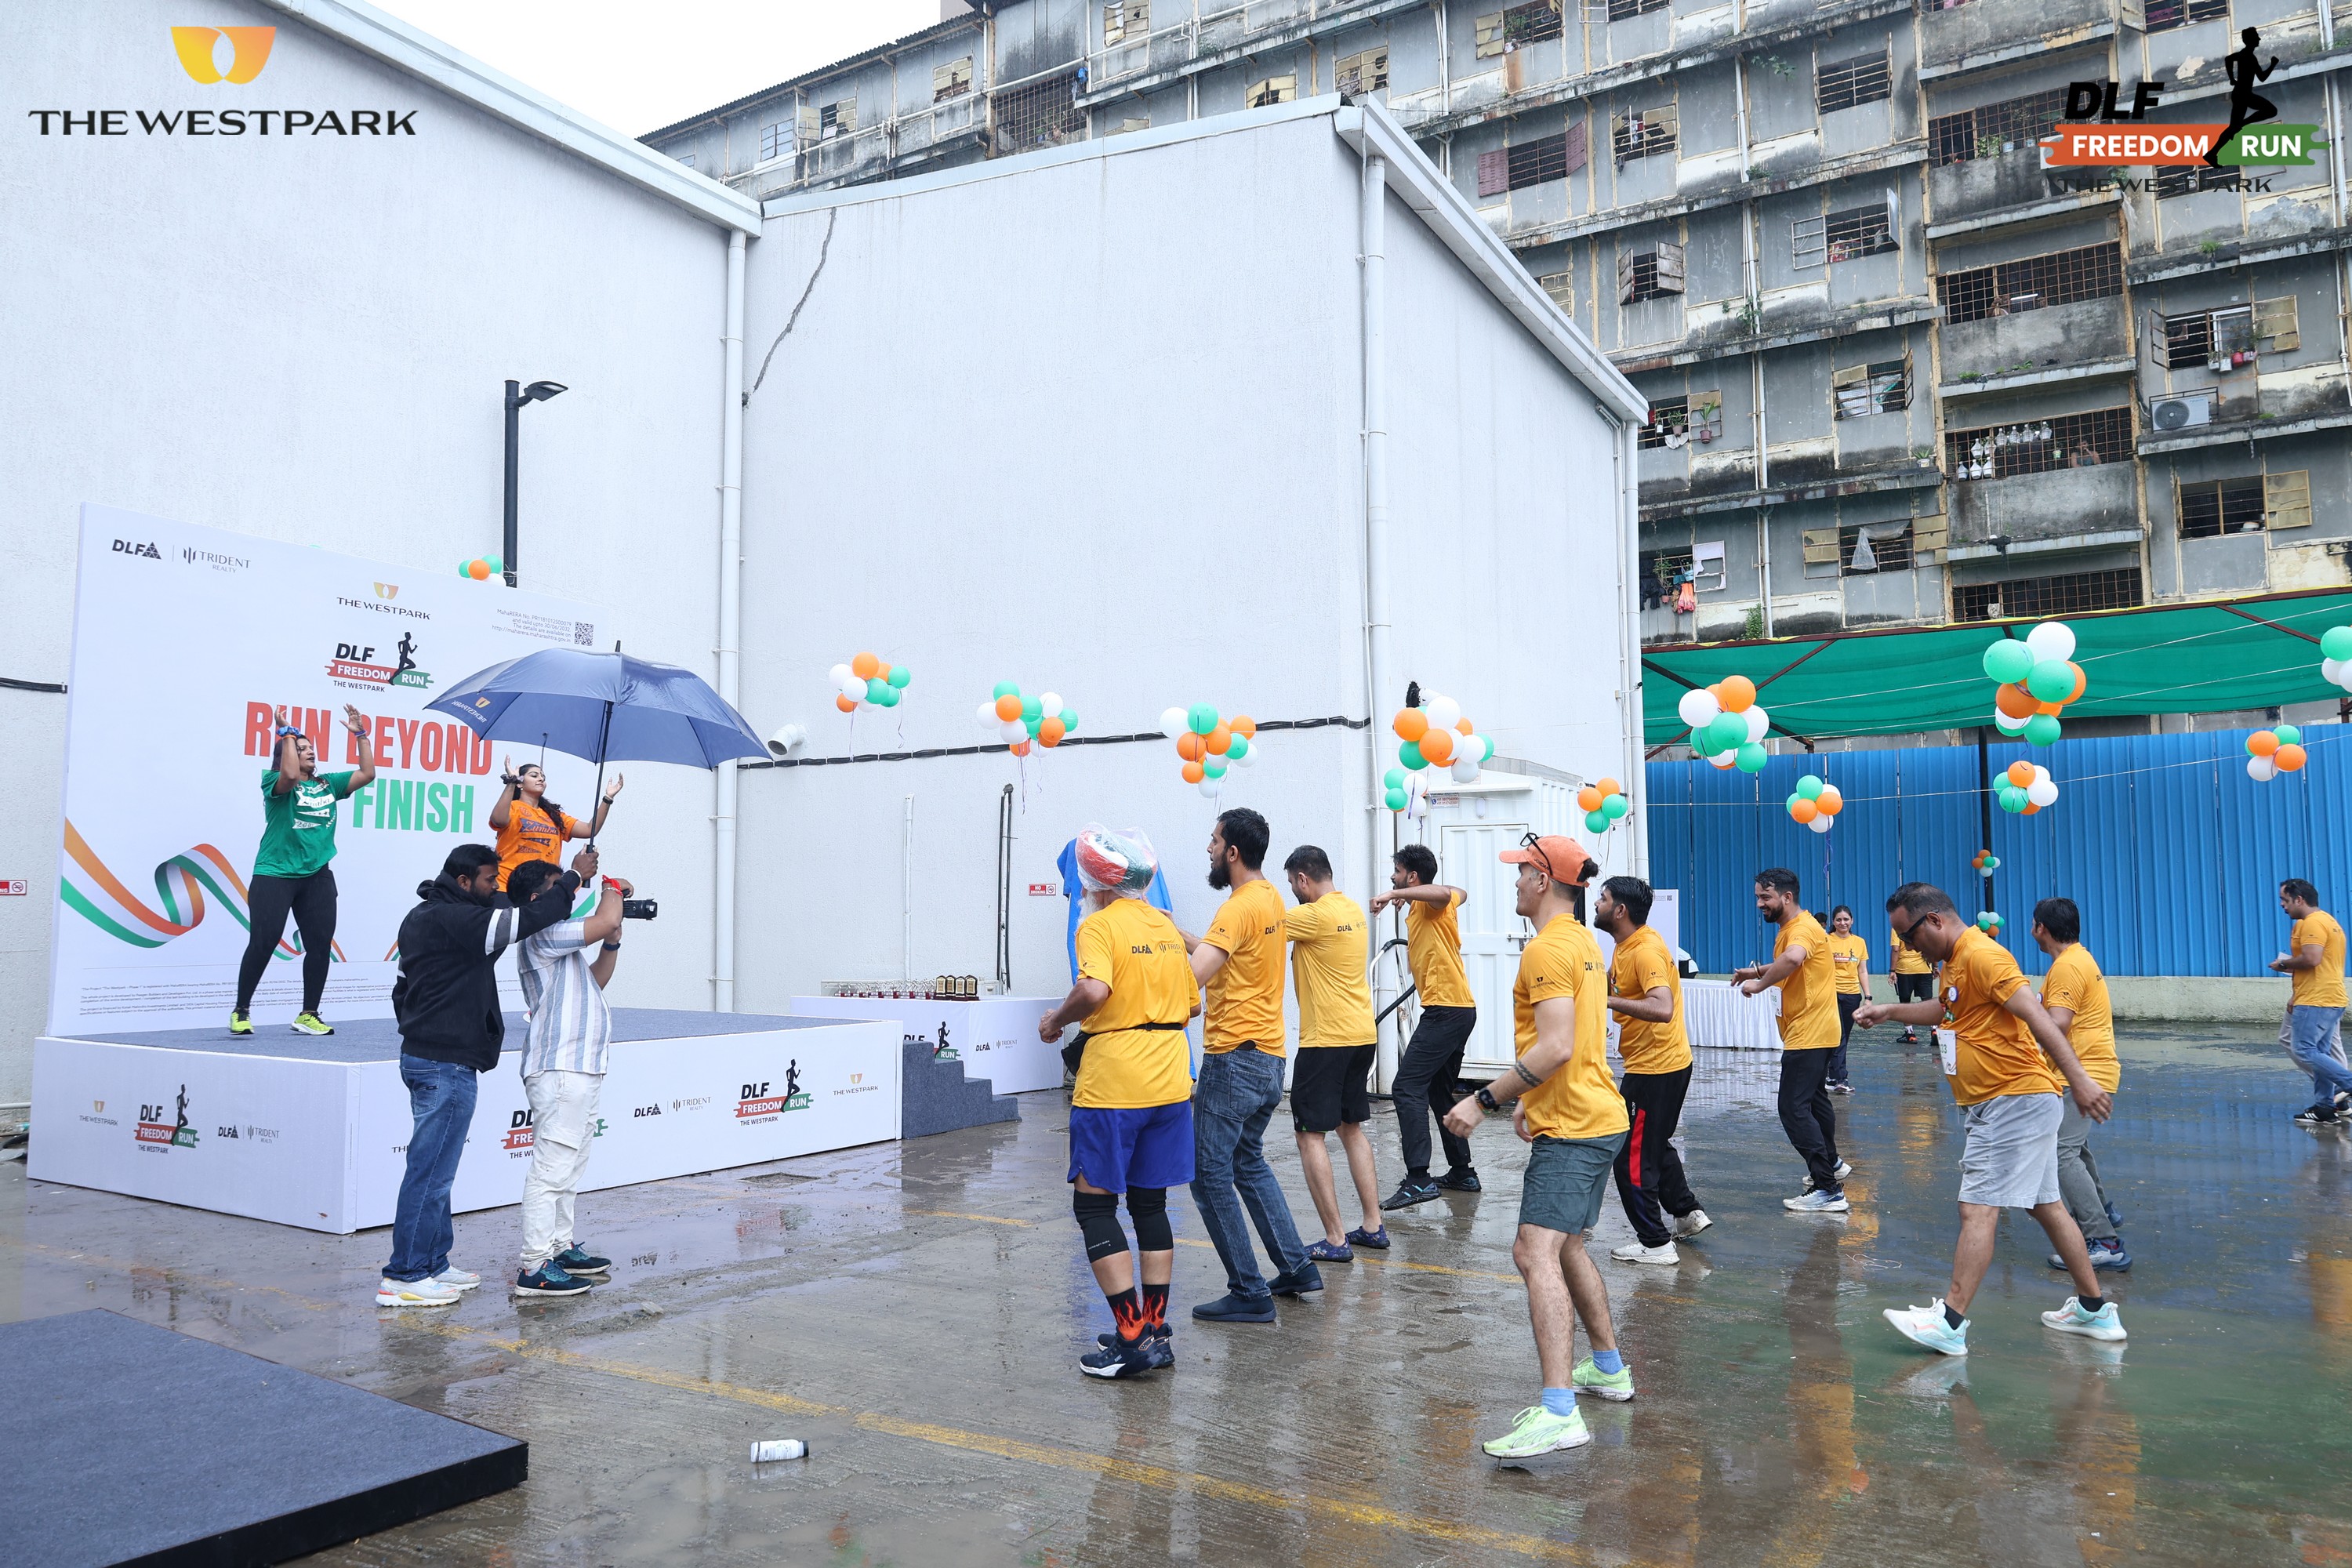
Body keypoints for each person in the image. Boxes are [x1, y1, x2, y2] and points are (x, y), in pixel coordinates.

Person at [1854, 882, 2125, 1353]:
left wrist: (2079, 1079)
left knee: (1977, 1207)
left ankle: (1950, 1322)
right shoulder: (1955, 961)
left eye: (1909, 936)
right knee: (2045, 1204)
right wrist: (1890, 1011)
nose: (1908, 948)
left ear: (1934, 920)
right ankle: (2094, 1310)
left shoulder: (1984, 956)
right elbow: (1946, 1008)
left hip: (2011, 1099)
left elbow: (2040, 1018)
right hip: (2008, 1100)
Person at [1443, 835, 1632, 1457]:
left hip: (1576, 1129)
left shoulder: (1548, 948)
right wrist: (1532, 1097)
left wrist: (1485, 1100)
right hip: (1594, 1116)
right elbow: (1574, 1038)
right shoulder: (1581, 942)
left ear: (1545, 881)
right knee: (1566, 1245)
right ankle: (1608, 1368)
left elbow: (1555, 1046)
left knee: (1533, 1251)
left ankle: (1558, 1412)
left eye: (1523, 872)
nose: (1517, 881)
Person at [377, 841, 589, 1308]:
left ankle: (432, 1264)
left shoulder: (428, 915)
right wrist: (573, 878)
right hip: (443, 1063)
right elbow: (524, 920)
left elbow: (401, 988)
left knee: (437, 1172)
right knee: (430, 1174)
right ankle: (405, 1275)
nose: (496, 888)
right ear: (463, 881)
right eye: (490, 880)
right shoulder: (454, 919)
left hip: (431, 1056)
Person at [1035, 826, 1199, 1379]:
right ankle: (1156, 1331)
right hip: (1170, 1080)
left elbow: (1094, 991)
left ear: (1093, 882)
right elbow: (1192, 1005)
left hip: (1115, 1084)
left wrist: (1056, 1021)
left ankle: (1131, 1339)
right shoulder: (1166, 926)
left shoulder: (1098, 926)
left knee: (1095, 1207)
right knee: (1151, 1205)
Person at [1182, 808, 1318, 1326]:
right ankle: (1296, 1266)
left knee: (1207, 1175)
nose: (1209, 849)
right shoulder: (1270, 899)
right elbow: (1226, 954)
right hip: (1268, 1058)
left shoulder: (1236, 907)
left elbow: (1192, 978)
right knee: (1248, 1162)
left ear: (1233, 852)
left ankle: (1248, 1289)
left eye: (1214, 841)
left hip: (1232, 1059)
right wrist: (1179, 934)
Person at [506, 856, 634, 1299]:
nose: (571, 894)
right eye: (560, 887)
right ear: (537, 898)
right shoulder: (540, 933)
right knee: (552, 1170)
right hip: (561, 1070)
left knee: (569, 1168)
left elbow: (595, 980)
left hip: (579, 1068)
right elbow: (607, 917)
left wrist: (611, 945)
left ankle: (559, 1249)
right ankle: (534, 1265)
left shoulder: (557, 939)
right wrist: (612, 886)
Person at [231, 704, 376, 1036]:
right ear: (286, 755)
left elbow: (367, 774)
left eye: (311, 747)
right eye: (302, 749)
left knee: (320, 945)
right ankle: (241, 1010)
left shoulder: (328, 784)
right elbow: (290, 776)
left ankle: (308, 1014)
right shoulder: (274, 780)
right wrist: (286, 734)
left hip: (317, 875)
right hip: (275, 874)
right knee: (263, 942)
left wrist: (360, 735)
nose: (310, 751)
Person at [1282, 844, 1388, 1261]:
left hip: (1326, 1040)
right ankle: (1373, 1226)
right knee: (1351, 1128)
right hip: (1361, 1035)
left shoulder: (1314, 915)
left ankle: (1335, 1238)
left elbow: (1255, 925)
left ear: (1303, 879)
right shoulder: (1351, 910)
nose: (1292, 891)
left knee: (1309, 1135)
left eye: (1292, 884)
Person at [1596, 875, 1707, 1263]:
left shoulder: (1644, 951)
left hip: (1655, 1068)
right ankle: (1687, 1212)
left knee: (1630, 1155)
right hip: (1660, 1063)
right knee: (1653, 1142)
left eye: (1603, 898)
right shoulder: (1627, 944)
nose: (1596, 904)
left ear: (1620, 910)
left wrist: (1607, 1001)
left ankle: (1655, 1243)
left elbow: (1662, 1008)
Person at [1730, 869, 1849, 1212]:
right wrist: (1756, 970)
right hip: (1820, 1029)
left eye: (1765, 897)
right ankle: (1833, 1164)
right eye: (1758, 897)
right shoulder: (1801, 927)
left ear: (1787, 897)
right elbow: (1797, 961)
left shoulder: (1801, 928)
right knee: (1814, 1100)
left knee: (1793, 1109)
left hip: (1809, 1032)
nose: (1759, 904)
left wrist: (1760, 984)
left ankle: (1828, 1189)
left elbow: (1795, 957)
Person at [1370, 844, 1481, 1209]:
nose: (1393, 877)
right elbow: (1460, 892)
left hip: (1447, 1011)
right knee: (1437, 1091)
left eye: (1397, 872)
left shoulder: (1434, 904)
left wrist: (1394, 895)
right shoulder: (1424, 903)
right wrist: (1406, 896)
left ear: (1412, 876)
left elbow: (1448, 893)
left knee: (1406, 1087)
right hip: (1456, 1008)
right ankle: (1462, 1172)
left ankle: (1419, 1179)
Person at [2032, 898, 2129, 1272]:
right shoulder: (2076, 959)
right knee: (2075, 1146)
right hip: (2084, 1069)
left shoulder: (2068, 966)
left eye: (2033, 924)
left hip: (2082, 1072)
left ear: (2041, 928)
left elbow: (2057, 1023)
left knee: (2061, 1153)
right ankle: (2102, 1210)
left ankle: (2103, 1240)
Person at [2271, 878, 2352, 1126]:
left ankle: (2347, 1085)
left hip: (2317, 999)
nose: (2282, 905)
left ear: (2299, 899)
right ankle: (2325, 1108)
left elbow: (2312, 959)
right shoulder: (2328, 921)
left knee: (2304, 1049)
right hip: (2326, 996)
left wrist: (2282, 964)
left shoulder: (2313, 923)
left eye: (2285, 900)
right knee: (2321, 1053)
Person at [492, 757, 622, 891]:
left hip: (543, 890)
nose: (541, 779)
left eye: (543, 777)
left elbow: (590, 829)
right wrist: (511, 782)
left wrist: (608, 798)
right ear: (520, 784)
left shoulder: (554, 815)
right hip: (506, 887)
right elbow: (498, 820)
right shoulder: (512, 807)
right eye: (534, 776)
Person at [2208, 26, 2280, 169]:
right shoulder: (2249, 57)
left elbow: (2228, 59)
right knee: (2271, 111)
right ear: (2251, 40)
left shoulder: (2244, 54)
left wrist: (2232, 79)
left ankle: (2212, 153)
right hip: (2244, 95)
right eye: (2256, 37)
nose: (2259, 39)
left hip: (2241, 94)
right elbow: (2262, 77)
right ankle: (2242, 124)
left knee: (2233, 128)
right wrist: (2273, 65)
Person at [1827, 905, 1871, 1094]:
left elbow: (1862, 971)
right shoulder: (1826, 940)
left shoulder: (1859, 942)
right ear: (1833, 922)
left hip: (1852, 995)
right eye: (1839, 919)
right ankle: (1840, 1078)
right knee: (1839, 1035)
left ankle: (1831, 1076)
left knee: (1843, 1036)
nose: (1842, 923)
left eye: (1846, 919)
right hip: (1831, 994)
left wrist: (1868, 997)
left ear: (1852, 921)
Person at [1890, 918, 1935, 1044]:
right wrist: (1936, 967)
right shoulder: (1924, 925)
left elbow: (1896, 949)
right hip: (1924, 968)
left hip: (1905, 969)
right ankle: (1935, 1030)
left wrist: (1892, 970)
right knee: (1928, 1001)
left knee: (1905, 1002)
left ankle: (1910, 1034)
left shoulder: (1897, 926)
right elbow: (1932, 947)